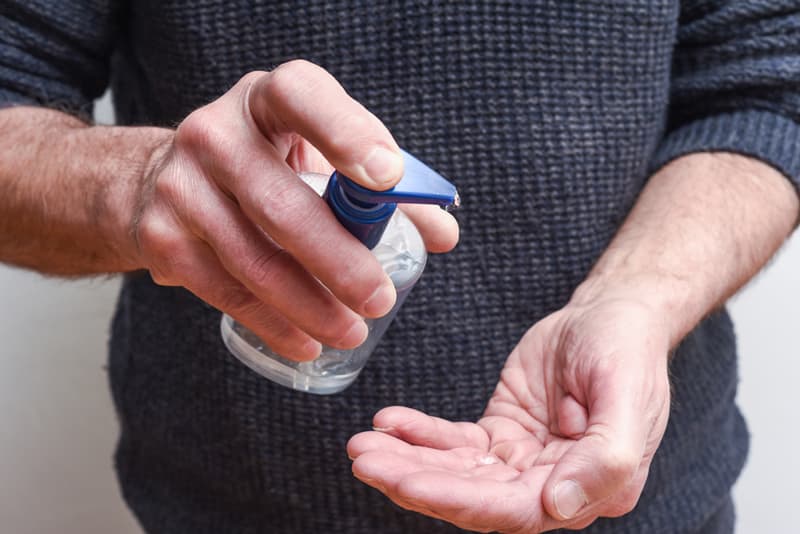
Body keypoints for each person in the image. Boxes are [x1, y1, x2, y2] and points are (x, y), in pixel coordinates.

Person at [1, 1, 798, 532]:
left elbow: (768, 90)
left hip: (639, 497)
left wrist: (636, 300)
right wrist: (137, 187)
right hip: (220, 506)